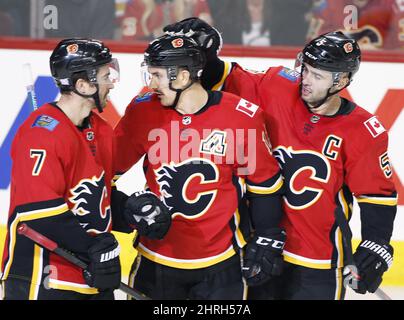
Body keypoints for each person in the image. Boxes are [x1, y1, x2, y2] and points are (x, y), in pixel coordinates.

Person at [163, 18, 398, 300]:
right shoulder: (277, 86)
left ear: (343, 81)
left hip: (318, 260)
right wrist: (206, 54)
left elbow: (377, 196)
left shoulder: (363, 130)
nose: (306, 81)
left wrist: (377, 244)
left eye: (318, 76)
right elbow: (228, 80)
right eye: (306, 71)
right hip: (262, 248)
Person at [112, 33, 286, 299]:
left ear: (182, 77)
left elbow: (263, 184)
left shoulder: (241, 117)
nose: (152, 84)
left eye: (157, 75)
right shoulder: (142, 112)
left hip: (221, 266)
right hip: (155, 262)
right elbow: (102, 174)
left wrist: (267, 237)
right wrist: (127, 207)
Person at [1, 38, 122, 300]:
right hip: (40, 279)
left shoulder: (101, 130)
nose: (112, 82)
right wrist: (95, 247)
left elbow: (100, 199)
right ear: (82, 85)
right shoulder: (41, 134)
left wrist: (134, 213)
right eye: (105, 75)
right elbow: (40, 214)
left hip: (90, 276)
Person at [306, 0, 404, 50]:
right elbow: (313, 49)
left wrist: (379, 53)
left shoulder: (395, 5)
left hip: (383, 71)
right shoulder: (327, 5)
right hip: (337, 69)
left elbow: (400, 52)